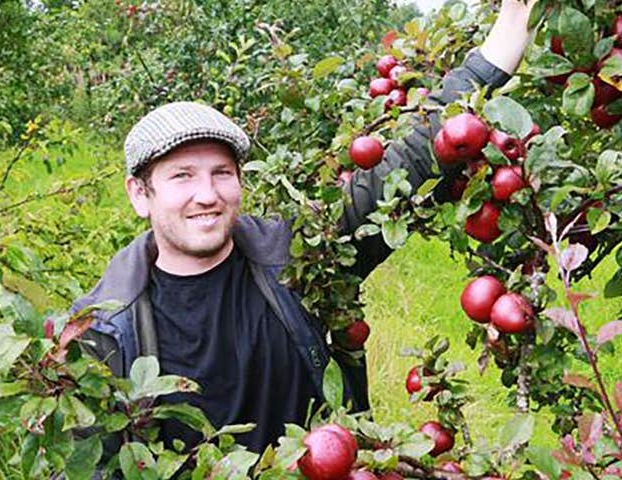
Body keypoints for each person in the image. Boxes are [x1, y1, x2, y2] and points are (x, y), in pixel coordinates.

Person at [72, 0, 537, 460]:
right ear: (139, 193)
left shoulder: (299, 257)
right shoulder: (102, 333)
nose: (207, 194)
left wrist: (504, 39)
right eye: (182, 176)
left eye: (221, 173)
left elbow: (414, 156)